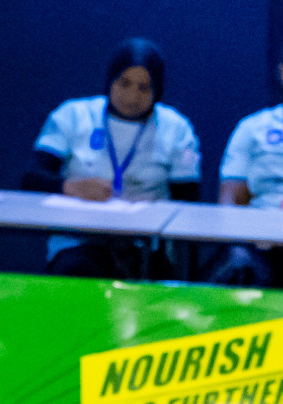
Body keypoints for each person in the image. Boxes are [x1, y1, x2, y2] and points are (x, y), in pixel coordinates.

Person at [22, 38, 201, 278]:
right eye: (124, 83)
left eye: (143, 87)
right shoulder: (73, 115)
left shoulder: (176, 129)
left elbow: (188, 203)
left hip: (145, 244)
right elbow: (31, 179)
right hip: (80, 240)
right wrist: (70, 187)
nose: (131, 96)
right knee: (77, 273)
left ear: (157, 89)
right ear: (110, 80)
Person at [210, 26, 283, 288]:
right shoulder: (252, 128)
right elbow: (230, 198)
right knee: (237, 270)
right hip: (262, 247)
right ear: (281, 72)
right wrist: (238, 245)